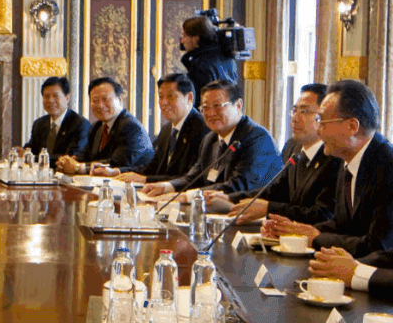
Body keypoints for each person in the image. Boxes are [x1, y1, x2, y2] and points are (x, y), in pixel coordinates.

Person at [263, 79, 393, 257]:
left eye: (323, 121)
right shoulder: (347, 159)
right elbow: (341, 225)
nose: (318, 130)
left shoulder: (387, 166)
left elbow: (378, 245)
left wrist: (317, 238)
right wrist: (296, 232)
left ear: (352, 127)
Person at [208, 83, 340, 223]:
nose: (295, 118)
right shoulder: (293, 147)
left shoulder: (335, 156)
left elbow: (324, 214)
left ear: (323, 116)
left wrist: (269, 208)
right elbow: (276, 191)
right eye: (294, 110)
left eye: (304, 111)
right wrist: (231, 198)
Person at [145, 80, 282, 197]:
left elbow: (238, 186)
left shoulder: (257, 139)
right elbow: (194, 177)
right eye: (205, 107)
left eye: (217, 106)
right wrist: (166, 186)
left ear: (238, 106)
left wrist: (188, 196)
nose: (210, 113)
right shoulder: (210, 139)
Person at [95, 73, 209, 183]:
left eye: (170, 96)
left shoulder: (202, 128)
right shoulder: (167, 129)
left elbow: (189, 178)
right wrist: (117, 171)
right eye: (161, 97)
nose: (164, 102)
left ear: (189, 98)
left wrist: (146, 180)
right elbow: (152, 167)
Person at [56, 77, 153, 174]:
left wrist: (78, 167)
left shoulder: (132, 127)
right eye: (95, 101)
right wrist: (67, 161)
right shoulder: (96, 127)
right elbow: (83, 156)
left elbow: (116, 164)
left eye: (105, 99)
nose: (100, 105)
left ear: (120, 99)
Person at [23, 76, 90, 160]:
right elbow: (33, 148)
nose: (50, 100)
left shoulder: (80, 124)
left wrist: (35, 158)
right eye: (46, 96)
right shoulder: (39, 124)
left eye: (56, 96)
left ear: (67, 98)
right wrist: (23, 152)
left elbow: (70, 157)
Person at [179, 15, 237, 108]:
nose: (182, 41)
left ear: (196, 39)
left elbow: (197, 103)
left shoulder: (200, 65)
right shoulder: (228, 57)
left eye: (184, 36)